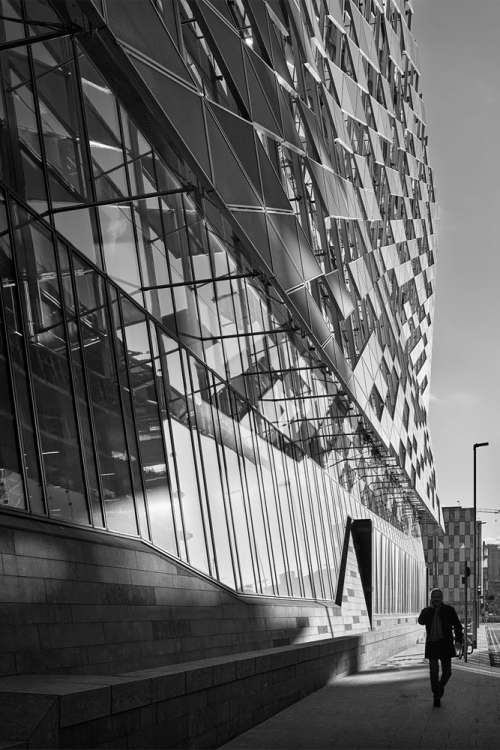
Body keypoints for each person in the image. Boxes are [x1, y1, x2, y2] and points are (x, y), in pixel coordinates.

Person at [418, 588, 463, 707]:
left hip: (446, 645)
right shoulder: (427, 611)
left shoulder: (449, 610)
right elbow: (421, 621)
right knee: (434, 672)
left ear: (442, 598)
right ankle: (436, 696)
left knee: (447, 673)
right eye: (434, 597)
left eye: (438, 597)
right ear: (430, 598)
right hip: (432, 646)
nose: (436, 599)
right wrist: (431, 610)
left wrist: (458, 640)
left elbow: (458, 626)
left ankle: (440, 687)